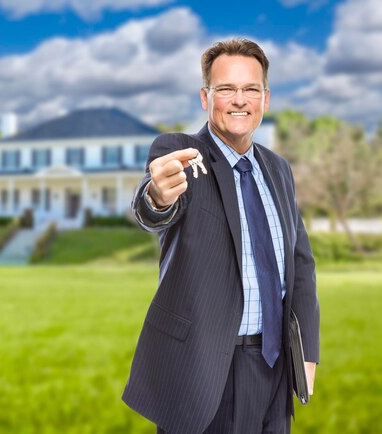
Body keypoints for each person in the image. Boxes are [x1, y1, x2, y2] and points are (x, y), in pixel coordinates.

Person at [122, 38, 320, 434]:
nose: (239, 100)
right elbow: (154, 207)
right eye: (225, 89)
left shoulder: (278, 169)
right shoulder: (182, 152)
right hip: (205, 372)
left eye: (250, 89)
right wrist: (157, 196)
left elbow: (300, 264)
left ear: (265, 98)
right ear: (205, 97)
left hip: (275, 368)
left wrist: (307, 355)